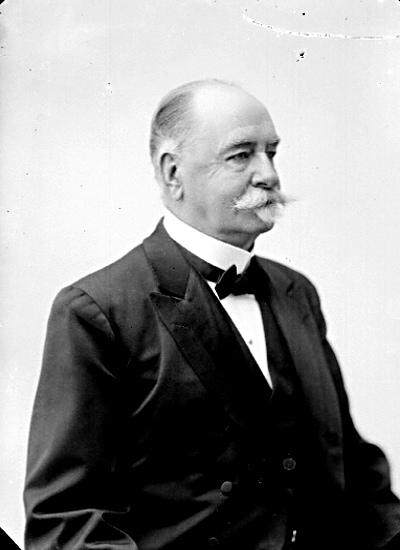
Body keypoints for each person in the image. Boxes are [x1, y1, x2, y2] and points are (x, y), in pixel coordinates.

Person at [24, 79, 400, 550]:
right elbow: (67, 522)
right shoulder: (97, 312)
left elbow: (354, 473)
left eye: (272, 153)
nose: (269, 175)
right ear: (172, 173)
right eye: (241, 156)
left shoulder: (296, 293)